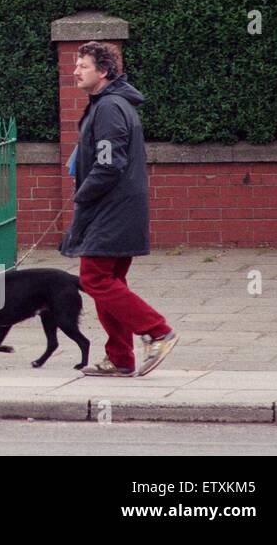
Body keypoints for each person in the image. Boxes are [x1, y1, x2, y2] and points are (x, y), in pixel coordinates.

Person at [59, 41, 178, 377]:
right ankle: (120, 358)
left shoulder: (109, 107)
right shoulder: (110, 104)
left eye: (83, 65)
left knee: (94, 278)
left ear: (104, 71)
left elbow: (109, 163)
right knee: (109, 282)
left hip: (111, 209)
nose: (76, 70)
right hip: (118, 207)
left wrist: (83, 193)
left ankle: (158, 331)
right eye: (77, 64)